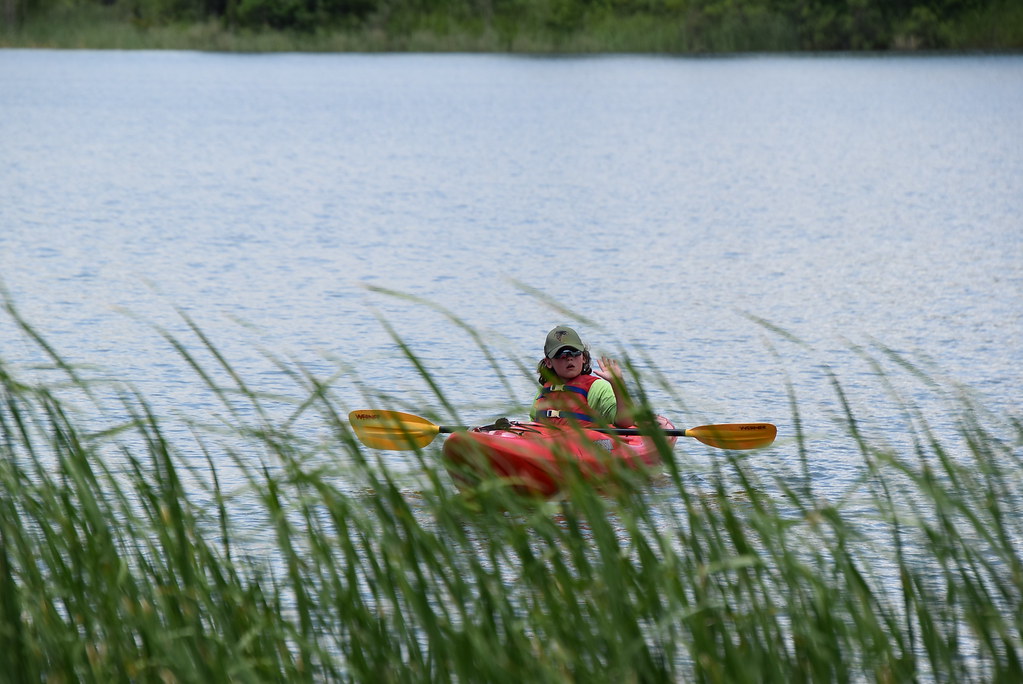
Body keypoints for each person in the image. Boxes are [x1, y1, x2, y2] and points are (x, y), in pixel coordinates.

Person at [530, 325, 633, 428]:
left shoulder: (598, 388)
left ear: (583, 357)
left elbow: (626, 422)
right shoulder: (543, 392)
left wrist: (618, 384)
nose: (569, 358)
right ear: (548, 362)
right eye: (561, 354)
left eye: (575, 352)